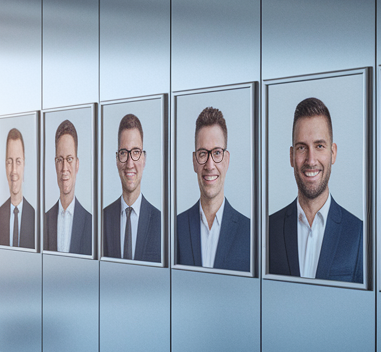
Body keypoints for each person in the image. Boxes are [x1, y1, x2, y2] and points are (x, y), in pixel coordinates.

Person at [267, 98, 364, 283]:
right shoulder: (267, 230)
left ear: (333, 153)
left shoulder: (359, 234)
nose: (311, 160)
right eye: (302, 148)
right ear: (291, 156)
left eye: (319, 146)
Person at [175, 107, 251, 271]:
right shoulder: (175, 228)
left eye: (217, 153)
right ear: (194, 161)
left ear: (226, 160)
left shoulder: (251, 233)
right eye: (203, 153)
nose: (210, 165)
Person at [102, 113, 162, 262]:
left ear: (144, 158)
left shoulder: (162, 224)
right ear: (117, 159)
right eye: (124, 153)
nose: (130, 163)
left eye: (136, 152)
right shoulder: (101, 220)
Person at [44, 120, 93, 254]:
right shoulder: (43, 221)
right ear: (55, 164)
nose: (64, 168)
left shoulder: (91, 224)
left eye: (69, 159)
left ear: (77, 164)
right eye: (60, 160)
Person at [0, 128, 37, 249]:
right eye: (10, 162)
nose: (14, 170)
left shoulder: (35, 218)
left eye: (18, 162)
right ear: (5, 166)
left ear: (24, 165)